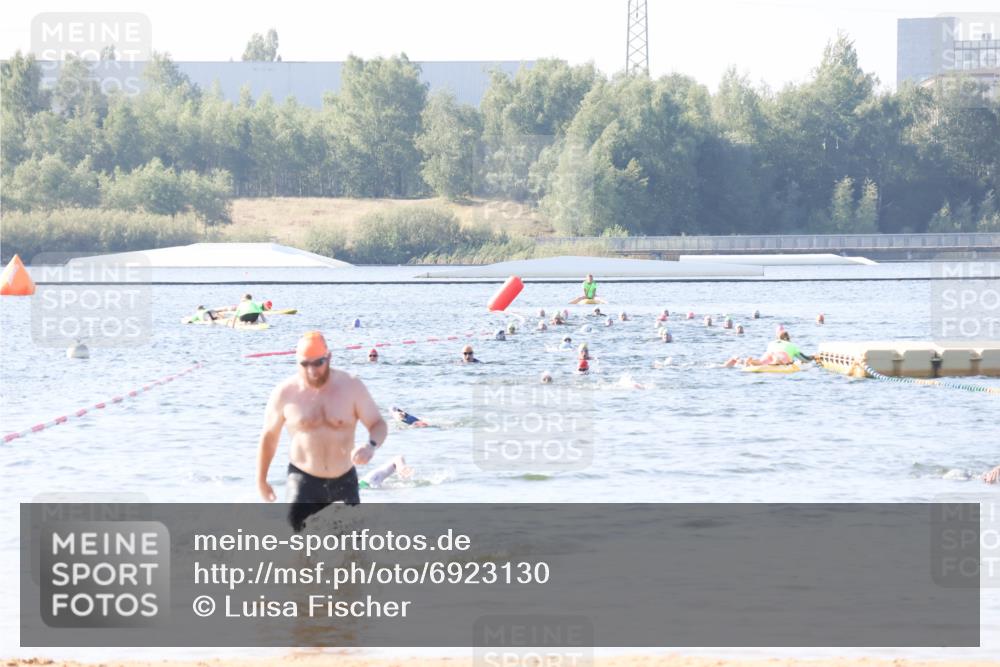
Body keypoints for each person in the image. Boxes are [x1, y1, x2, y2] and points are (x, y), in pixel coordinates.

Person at [256, 331, 387, 532]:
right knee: (297, 543)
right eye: (305, 364)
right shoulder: (285, 392)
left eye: (318, 363)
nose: (312, 370)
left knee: (352, 553)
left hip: (344, 480)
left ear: (329, 357)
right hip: (303, 480)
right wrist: (261, 479)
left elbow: (378, 424)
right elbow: (269, 437)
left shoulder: (351, 387)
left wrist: (371, 446)